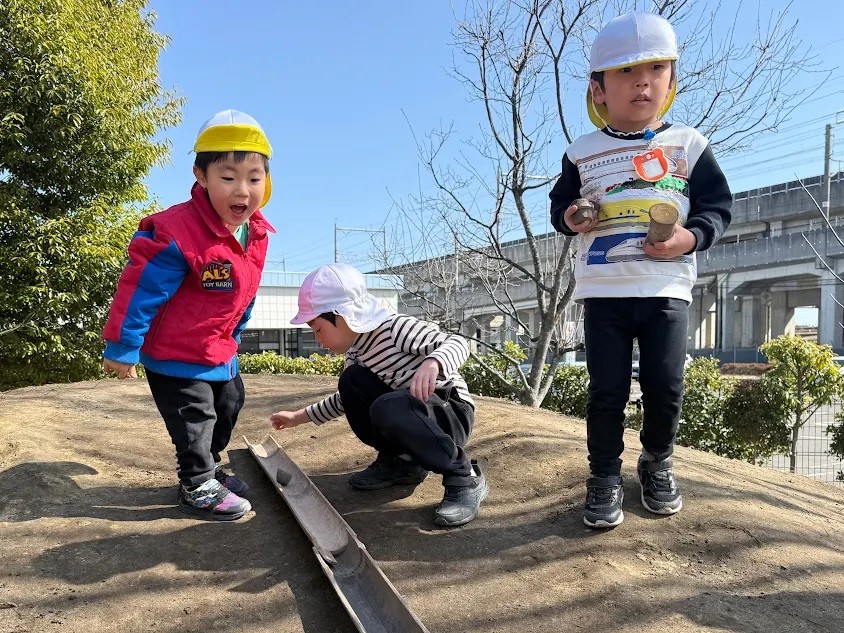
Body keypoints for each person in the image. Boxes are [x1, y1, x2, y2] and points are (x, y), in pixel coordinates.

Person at [548, 12, 732, 528]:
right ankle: (604, 474)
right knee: (605, 390)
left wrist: (690, 238)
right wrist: (570, 215)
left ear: (671, 81)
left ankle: (656, 462)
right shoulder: (581, 152)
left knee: (665, 383)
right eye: (626, 72)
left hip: (666, 288)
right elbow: (560, 209)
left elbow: (717, 207)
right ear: (599, 89)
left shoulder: (687, 145)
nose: (642, 82)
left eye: (655, 69)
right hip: (603, 291)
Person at [101, 109, 275, 521]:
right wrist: (123, 346)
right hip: (175, 352)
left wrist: (236, 333)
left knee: (231, 402)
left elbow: (245, 291)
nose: (242, 191)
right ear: (201, 175)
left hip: (218, 348)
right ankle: (196, 483)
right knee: (195, 416)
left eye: (254, 178)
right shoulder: (176, 231)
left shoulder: (258, 233)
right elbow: (141, 289)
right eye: (228, 178)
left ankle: (209, 468)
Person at [270, 263, 488, 527]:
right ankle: (403, 463)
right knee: (352, 383)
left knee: (390, 406)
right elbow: (345, 402)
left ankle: (465, 477)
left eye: (318, 329)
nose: (317, 338)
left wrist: (434, 363)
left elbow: (457, 342)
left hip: (448, 413)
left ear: (341, 316)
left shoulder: (395, 329)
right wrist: (297, 417)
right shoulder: (355, 354)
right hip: (409, 415)